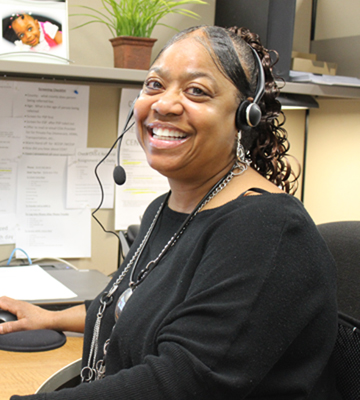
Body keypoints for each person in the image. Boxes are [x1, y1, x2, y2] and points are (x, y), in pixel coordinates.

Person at [0, 25, 339, 399]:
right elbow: (130, 305)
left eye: (197, 91)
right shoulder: (163, 209)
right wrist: (50, 318)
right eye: (154, 85)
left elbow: (178, 383)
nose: (163, 104)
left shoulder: (269, 230)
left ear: (245, 115)